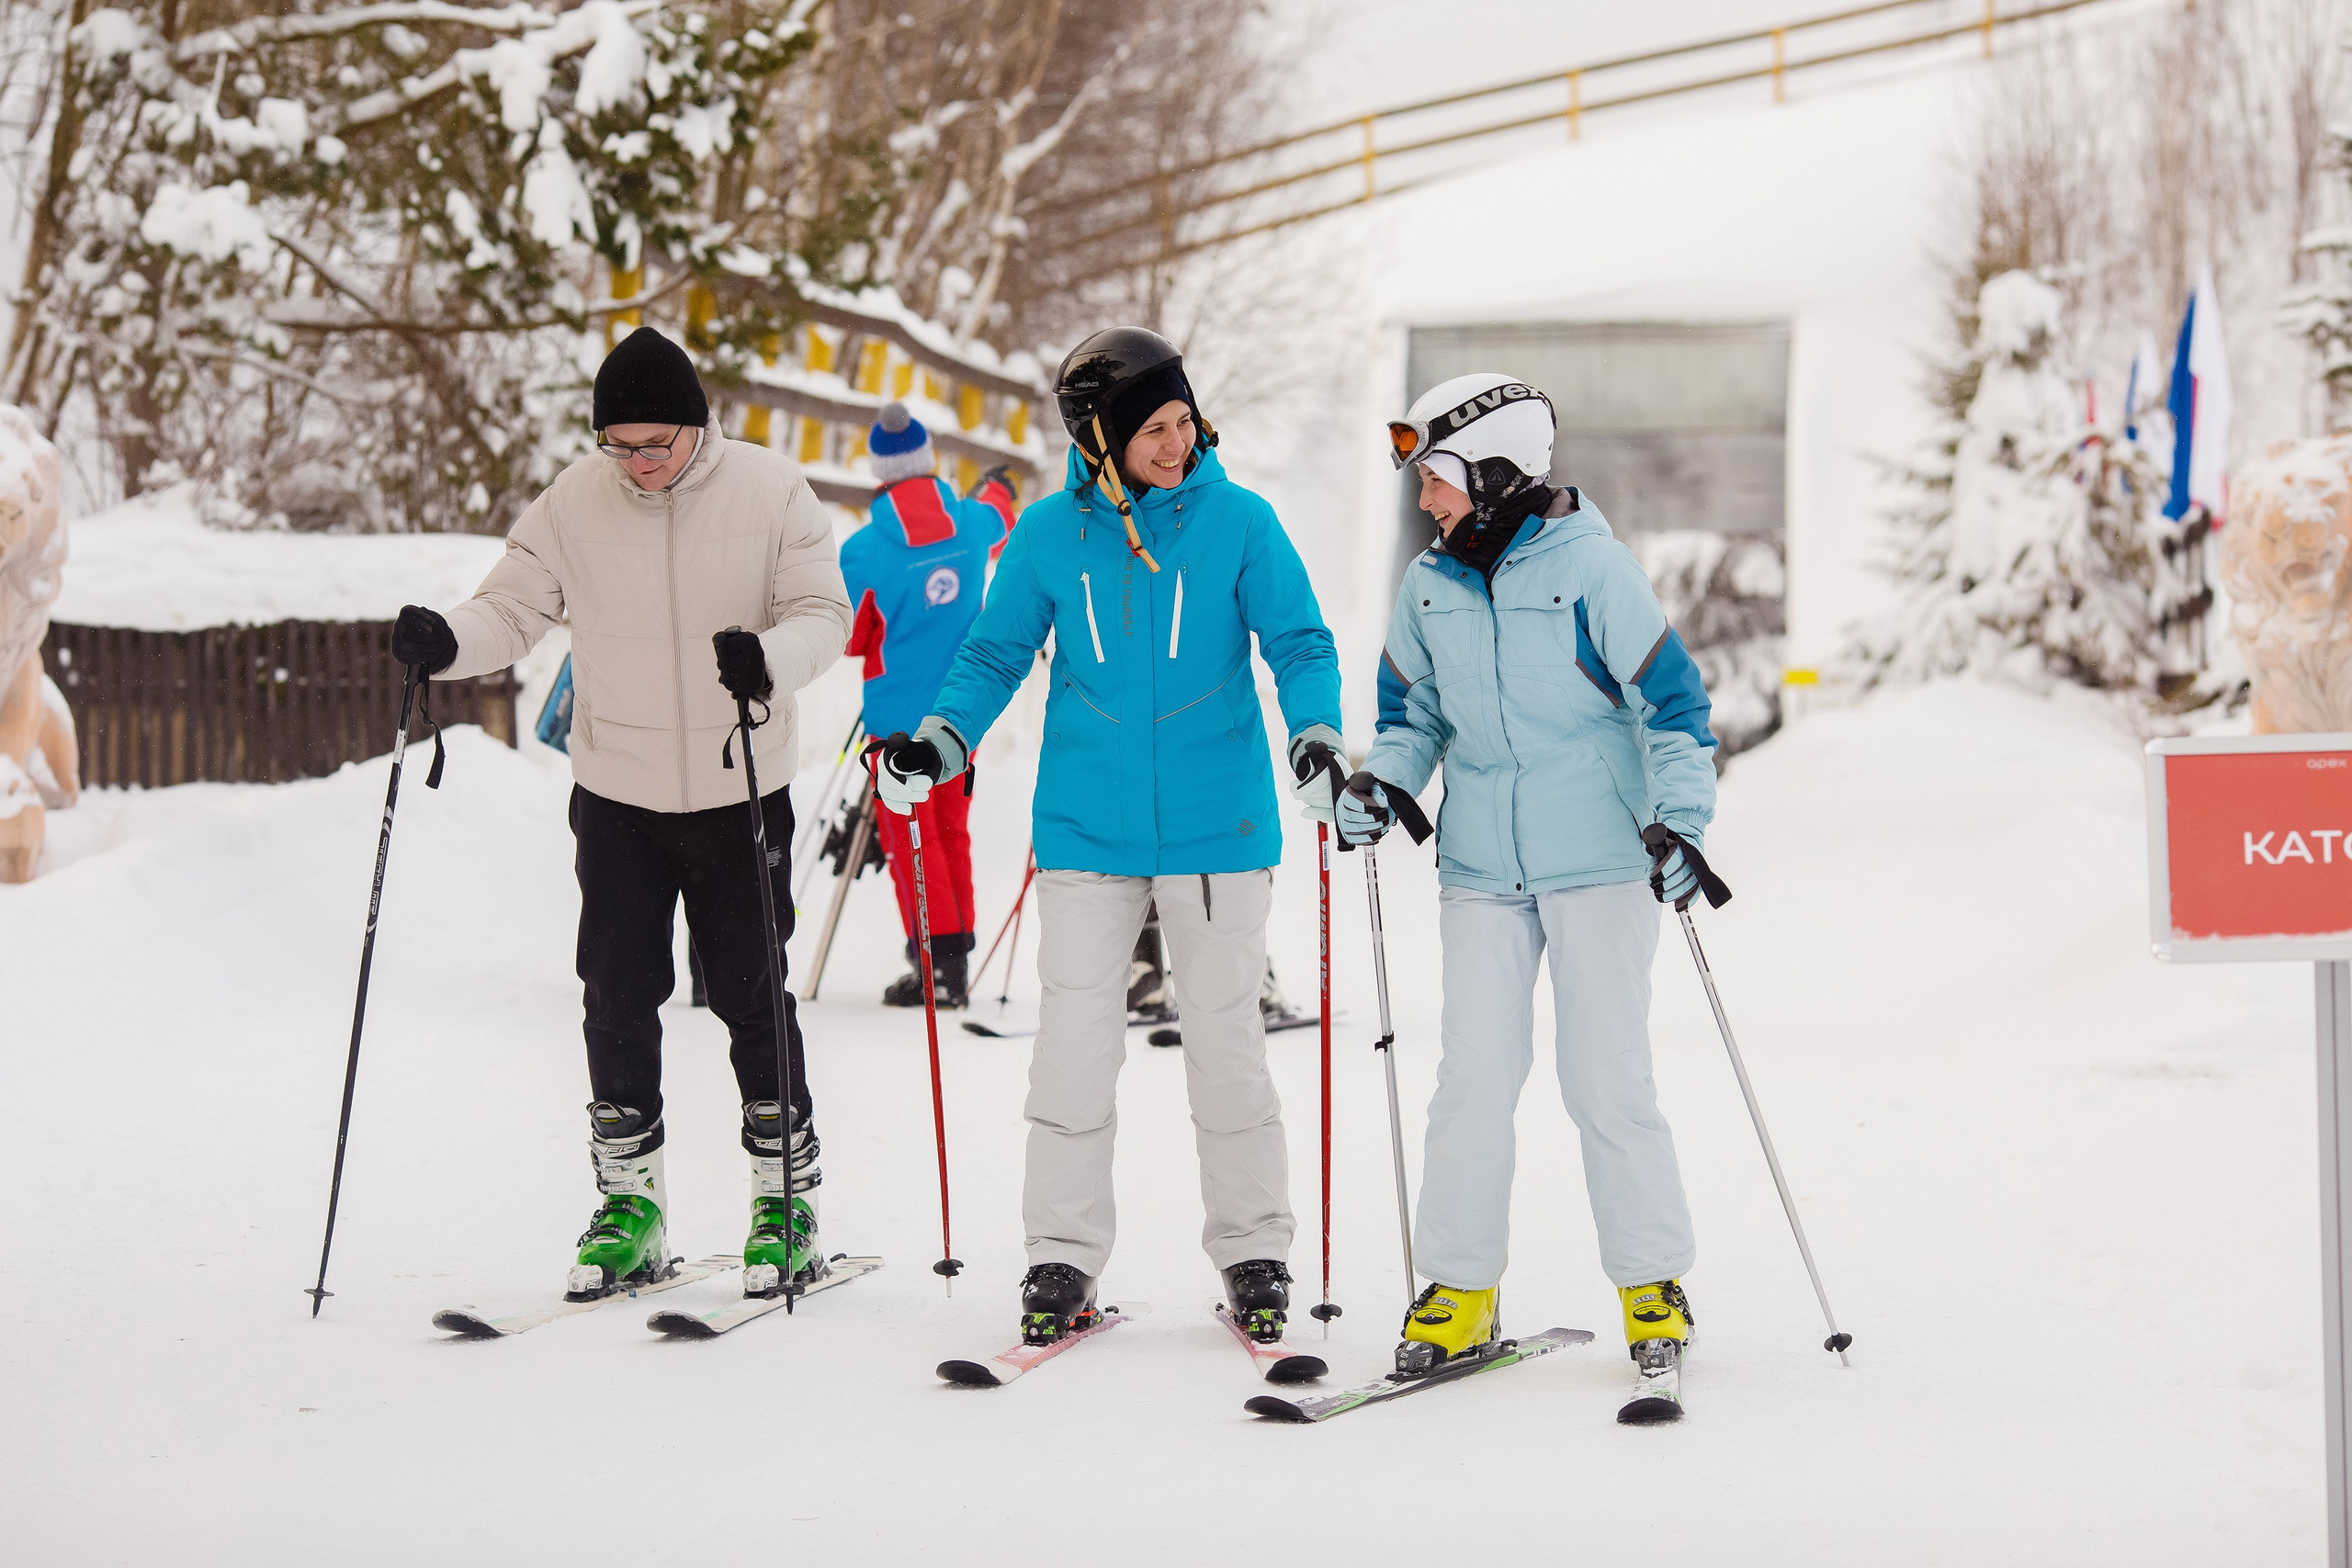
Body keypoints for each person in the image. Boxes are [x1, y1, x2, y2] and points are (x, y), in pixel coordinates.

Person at [866, 326, 1346, 1347]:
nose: (1177, 444)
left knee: (1227, 1054)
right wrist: (940, 740)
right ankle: (1061, 1259)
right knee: (1073, 1061)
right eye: (1153, 430)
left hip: (1220, 828)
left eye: (1183, 422)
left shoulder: (1241, 524)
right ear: (1097, 438)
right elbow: (994, 653)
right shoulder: (1048, 535)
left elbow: (1298, 638)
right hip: (1087, 832)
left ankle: (1255, 1251)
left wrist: (1314, 733)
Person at [387, 326, 852, 1301]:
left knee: (751, 994)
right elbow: (510, 609)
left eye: (656, 445)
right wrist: (444, 640)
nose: (638, 465)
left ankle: (783, 1199)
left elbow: (823, 614)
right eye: (620, 446)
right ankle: (631, 1207)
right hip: (619, 794)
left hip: (738, 788)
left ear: (697, 427)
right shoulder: (573, 502)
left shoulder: (771, 492)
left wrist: (768, 660)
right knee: (615, 995)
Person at [1338, 372, 1717, 1396]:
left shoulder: (1595, 570)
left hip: (1598, 860)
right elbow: (1410, 719)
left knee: (1605, 1079)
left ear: (1498, 472)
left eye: (1440, 479)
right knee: (1470, 1081)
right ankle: (1456, 1291)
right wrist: (1382, 784)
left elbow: (1675, 713)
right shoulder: (1428, 585)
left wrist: (1680, 825)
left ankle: (1651, 1287)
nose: (1425, 500)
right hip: (1481, 870)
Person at [838, 402, 1017, 1010]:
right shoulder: (970, 522)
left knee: (913, 840)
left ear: (881, 470)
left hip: (894, 726)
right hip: (963, 716)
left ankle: (935, 966)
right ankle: (954, 961)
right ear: (928, 459)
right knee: (951, 831)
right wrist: (999, 485)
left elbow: (850, 636)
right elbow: (1002, 517)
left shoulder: (863, 552)